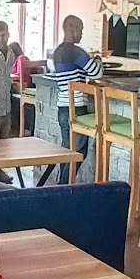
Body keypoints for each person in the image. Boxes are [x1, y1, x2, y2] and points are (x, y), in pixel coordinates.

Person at [50, 15, 104, 180]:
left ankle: (63, 184)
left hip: (62, 107)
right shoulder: (76, 52)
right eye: (80, 30)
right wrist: (98, 60)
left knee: (67, 150)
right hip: (77, 107)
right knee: (79, 151)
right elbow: (96, 73)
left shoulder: (58, 51)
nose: (81, 34)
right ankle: (64, 185)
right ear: (72, 30)